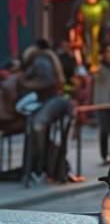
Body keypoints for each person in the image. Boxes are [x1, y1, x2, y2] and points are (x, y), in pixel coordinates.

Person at [17, 40, 73, 183]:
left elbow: (47, 80)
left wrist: (25, 84)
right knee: (36, 128)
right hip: (51, 99)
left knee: (37, 126)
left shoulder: (40, 59)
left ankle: (39, 169)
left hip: (51, 99)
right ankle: (38, 168)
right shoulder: (46, 58)